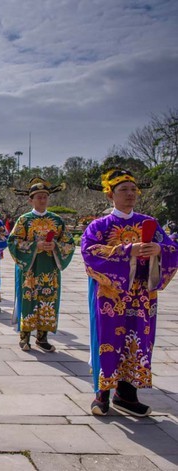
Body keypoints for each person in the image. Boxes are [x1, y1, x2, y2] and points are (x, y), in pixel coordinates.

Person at [82, 169, 178, 417]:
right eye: (124, 189)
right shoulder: (100, 225)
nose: (130, 194)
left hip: (142, 296)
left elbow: (172, 249)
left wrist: (159, 248)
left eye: (133, 189)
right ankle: (102, 392)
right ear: (110, 195)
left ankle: (127, 393)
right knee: (108, 339)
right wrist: (126, 251)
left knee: (138, 339)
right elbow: (90, 253)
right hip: (110, 297)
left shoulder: (150, 223)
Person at [8, 177, 74, 352]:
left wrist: (55, 246)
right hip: (29, 268)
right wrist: (35, 245)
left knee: (47, 299)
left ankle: (42, 337)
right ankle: (25, 337)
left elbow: (69, 243)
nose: (42, 200)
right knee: (28, 299)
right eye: (38, 197)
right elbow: (13, 241)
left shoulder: (57, 220)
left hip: (49, 268)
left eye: (45, 196)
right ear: (31, 200)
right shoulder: (24, 220)